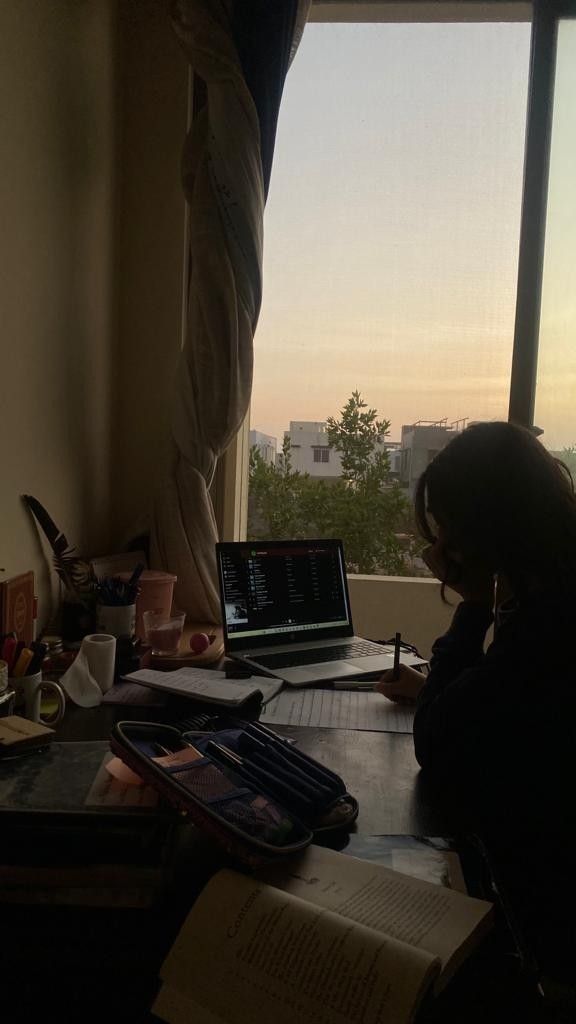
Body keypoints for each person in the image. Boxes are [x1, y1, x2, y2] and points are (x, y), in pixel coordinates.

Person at [376, 421, 576, 987]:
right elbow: (499, 703)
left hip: (544, 929)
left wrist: (471, 606)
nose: (436, 552)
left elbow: (436, 743)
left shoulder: (546, 627)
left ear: (491, 533)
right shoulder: (555, 589)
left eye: (450, 536)